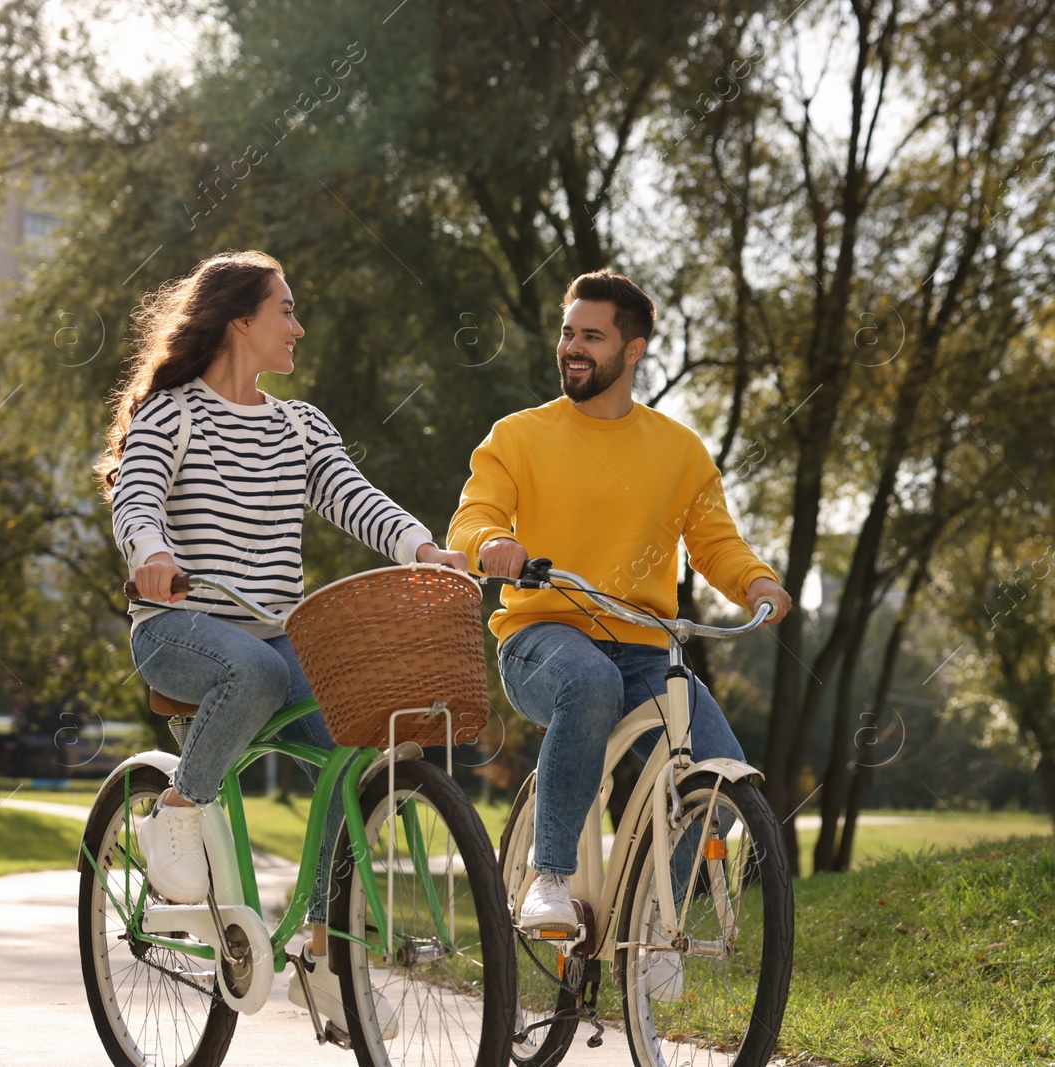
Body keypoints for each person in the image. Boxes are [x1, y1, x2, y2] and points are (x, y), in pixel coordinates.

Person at [98, 249, 465, 1029]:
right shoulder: (176, 410)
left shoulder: (299, 424)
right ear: (241, 321)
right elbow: (137, 496)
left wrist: (421, 547)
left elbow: (351, 495)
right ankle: (177, 807)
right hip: (180, 629)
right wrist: (152, 555)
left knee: (360, 746)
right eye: (285, 311)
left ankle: (328, 954)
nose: (298, 327)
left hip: (273, 639)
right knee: (258, 670)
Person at [446, 269, 791, 942]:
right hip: (542, 637)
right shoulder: (517, 436)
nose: (573, 347)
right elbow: (472, 517)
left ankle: (658, 928)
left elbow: (716, 541)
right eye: (568, 333)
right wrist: (494, 542)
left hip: (645, 647)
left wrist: (757, 583)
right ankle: (550, 878)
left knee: (723, 787)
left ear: (632, 351)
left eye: (592, 337)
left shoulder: (678, 450)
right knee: (589, 680)